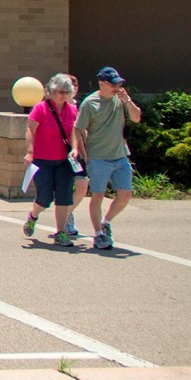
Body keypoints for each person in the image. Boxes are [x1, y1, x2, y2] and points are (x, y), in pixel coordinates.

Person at [75, 66, 142, 250]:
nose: (116, 87)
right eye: (113, 84)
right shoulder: (90, 103)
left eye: (119, 83)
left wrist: (127, 100)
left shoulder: (120, 100)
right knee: (98, 195)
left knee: (125, 195)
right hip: (98, 157)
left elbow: (136, 118)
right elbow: (78, 128)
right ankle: (98, 235)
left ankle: (106, 222)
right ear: (101, 84)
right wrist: (82, 152)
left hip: (120, 156)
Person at [21, 74, 81, 246]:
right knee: (44, 198)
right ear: (51, 91)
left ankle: (60, 232)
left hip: (64, 160)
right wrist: (30, 152)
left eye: (65, 92)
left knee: (64, 197)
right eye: (58, 91)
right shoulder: (41, 108)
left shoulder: (72, 110)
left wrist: (76, 148)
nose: (61, 95)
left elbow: (74, 132)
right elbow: (30, 130)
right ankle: (33, 216)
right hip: (42, 160)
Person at [65, 74, 88, 237]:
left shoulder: (82, 107)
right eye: (69, 84)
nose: (72, 87)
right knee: (64, 188)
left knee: (82, 187)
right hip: (60, 152)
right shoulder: (54, 106)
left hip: (79, 153)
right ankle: (65, 217)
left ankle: (67, 213)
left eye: (75, 85)